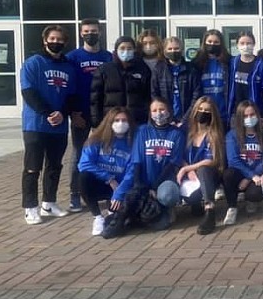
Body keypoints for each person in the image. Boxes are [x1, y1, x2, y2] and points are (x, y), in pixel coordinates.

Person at [20, 25, 80, 224]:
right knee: (32, 167)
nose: (56, 42)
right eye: (52, 39)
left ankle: (49, 202)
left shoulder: (68, 66)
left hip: (59, 126)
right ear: (45, 40)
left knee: (54, 165)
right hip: (36, 125)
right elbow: (28, 92)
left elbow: (71, 95)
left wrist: (62, 114)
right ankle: (30, 207)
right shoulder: (33, 63)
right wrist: (48, 113)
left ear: (65, 42)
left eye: (59, 39)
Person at [102, 97, 185, 238]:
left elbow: (173, 163)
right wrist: (139, 185)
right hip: (144, 179)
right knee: (136, 200)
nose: (158, 113)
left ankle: (166, 208)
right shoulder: (142, 131)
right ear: (150, 113)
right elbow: (137, 161)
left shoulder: (177, 134)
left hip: (165, 181)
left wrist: (155, 187)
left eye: (162, 109)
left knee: (166, 200)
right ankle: (122, 220)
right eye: (154, 110)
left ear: (169, 111)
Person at [66, 18, 113, 212]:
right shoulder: (73, 57)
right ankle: (75, 194)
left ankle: (105, 192)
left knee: (106, 154)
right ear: (80, 33)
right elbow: (68, 87)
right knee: (79, 154)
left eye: (93, 31)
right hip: (81, 114)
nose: (90, 34)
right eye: (86, 31)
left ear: (100, 32)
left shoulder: (108, 57)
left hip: (104, 115)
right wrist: (72, 113)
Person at [77, 107, 133, 236]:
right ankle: (97, 217)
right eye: (116, 120)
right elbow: (84, 164)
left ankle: (111, 210)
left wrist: (118, 194)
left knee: (118, 221)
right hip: (101, 183)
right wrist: (109, 178)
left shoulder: (132, 143)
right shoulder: (96, 140)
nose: (120, 124)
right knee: (83, 177)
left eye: (124, 120)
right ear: (109, 122)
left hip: (120, 188)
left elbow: (131, 172)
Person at [178, 96, 226, 234]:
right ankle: (195, 203)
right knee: (190, 195)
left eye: (207, 110)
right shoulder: (186, 131)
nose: (202, 112)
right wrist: (187, 169)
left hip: (208, 174)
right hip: (189, 176)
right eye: (200, 109)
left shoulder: (213, 134)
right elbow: (178, 155)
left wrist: (189, 168)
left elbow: (211, 160)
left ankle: (209, 209)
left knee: (204, 170)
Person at [90, 36, 152, 127]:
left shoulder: (143, 69)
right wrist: (96, 121)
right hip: (111, 121)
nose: (126, 51)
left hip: (137, 121)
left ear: (134, 50)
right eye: (122, 48)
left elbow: (148, 96)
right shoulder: (104, 70)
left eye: (129, 48)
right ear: (116, 50)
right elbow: (95, 98)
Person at [222, 101, 263, 226]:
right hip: (240, 173)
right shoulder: (232, 135)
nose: (249, 118)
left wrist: (250, 178)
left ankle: (251, 200)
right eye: (245, 116)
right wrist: (250, 175)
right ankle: (232, 207)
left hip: (256, 175)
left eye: (252, 115)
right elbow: (233, 160)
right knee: (228, 174)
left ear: (257, 115)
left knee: (254, 194)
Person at [152, 36, 202, 124]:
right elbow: (155, 94)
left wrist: (185, 120)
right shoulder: (158, 70)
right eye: (170, 49)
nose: (173, 51)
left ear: (182, 50)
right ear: (164, 51)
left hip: (187, 118)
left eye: (176, 48)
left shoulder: (191, 70)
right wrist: (165, 117)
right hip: (165, 118)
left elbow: (196, 96)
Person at [228, 31, 263, 119]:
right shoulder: (233, 63)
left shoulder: (261, 64)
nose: (245, 46)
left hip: (256, 113)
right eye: (242, 43)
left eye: (249, 43)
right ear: (237, 45)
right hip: (236, 112)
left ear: (254, 44)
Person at [193, 29, 231, 126]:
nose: (212, 44)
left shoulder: (228, 62)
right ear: (204, 43)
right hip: (204, 113)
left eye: (216, 42)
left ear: (221, 44)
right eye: (209, 42)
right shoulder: (196, 63)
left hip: (223, 113)